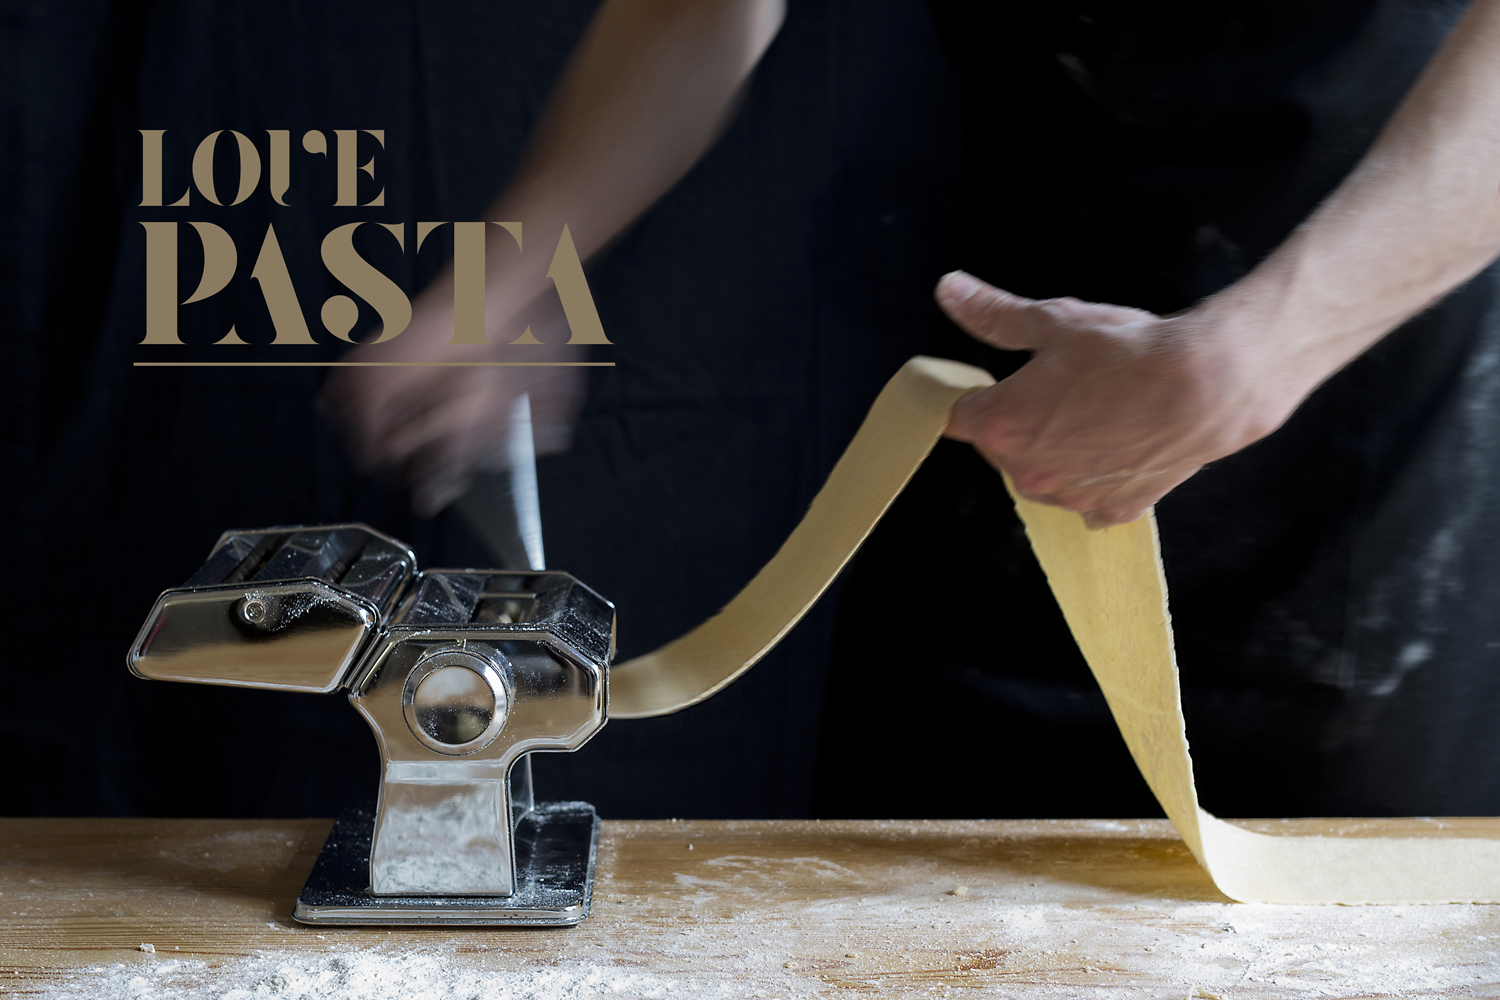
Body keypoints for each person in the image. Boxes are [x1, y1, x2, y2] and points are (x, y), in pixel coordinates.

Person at [329, 0, 1500, 820]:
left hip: (1355, 447)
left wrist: (1257, 349)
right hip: (999, 427)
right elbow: (697, 7)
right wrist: (510, 279)